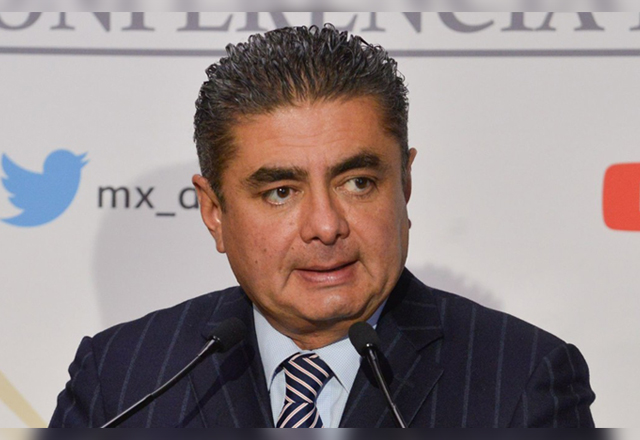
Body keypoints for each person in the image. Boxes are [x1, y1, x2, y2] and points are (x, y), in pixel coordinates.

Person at [49, 25, 595, 428]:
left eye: (357, 182)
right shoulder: (123, 378)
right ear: (214, 212)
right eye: (281, 192)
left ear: (404, 184)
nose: (326, 226)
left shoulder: (522, 379)